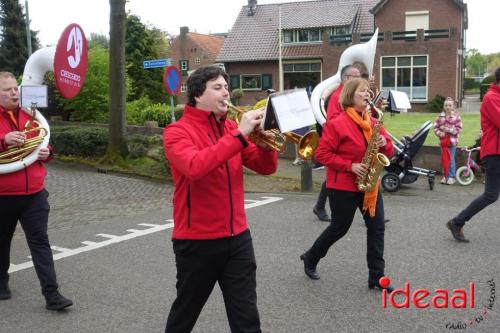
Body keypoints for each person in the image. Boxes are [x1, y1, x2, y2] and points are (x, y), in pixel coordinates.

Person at [163, 66, 278, 332]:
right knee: (186, 313)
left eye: (226, 87)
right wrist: (240, 135)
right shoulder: (176, 132)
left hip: (238, 237)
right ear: (197, 95)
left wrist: (264, 145)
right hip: (197, 242)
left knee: (246, 316)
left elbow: (266, 168)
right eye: (217, 87)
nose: (225, 92)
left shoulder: (230, 128)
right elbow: (195, 166)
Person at [300, 78, 395, 293]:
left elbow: (388, 152)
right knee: (339, 228)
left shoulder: (373, 121)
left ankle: (376, 276)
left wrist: (384, 144)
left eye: (368, 91)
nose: (368, 94)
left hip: (369, 185)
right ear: (351, 95)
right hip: (343, 186)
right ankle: (310, 257)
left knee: (377, 228)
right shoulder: (336, 123)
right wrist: (349, 166)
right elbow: (322, 154)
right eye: (363, 91)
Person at [0, 71, 73, 310]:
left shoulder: (31, 114)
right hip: (3, 196)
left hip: (34, 194)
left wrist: (47, 153)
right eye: (7, 90)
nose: (14, 93)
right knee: (2, 242)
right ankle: (1, 282)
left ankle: (52, 295)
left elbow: (43, 142)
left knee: (40, 242)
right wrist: (4, 140)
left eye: (14, 88)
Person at [446, 67, 500, 243]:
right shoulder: (491, 98)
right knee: (491, 195)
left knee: (491, 194)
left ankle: (457, 221)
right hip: (494, 154)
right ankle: (457, 221)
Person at [313, 65, 361, 222]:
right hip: (339, 142)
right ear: (346, 78)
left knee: (335, 176)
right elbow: (333, 120)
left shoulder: (351, 95)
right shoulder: (337, 96)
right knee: (333, 176)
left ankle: (372, 212)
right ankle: (319, 206)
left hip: (351, 141)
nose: (360, 80)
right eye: (356, 76)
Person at [433, 97, 463, 185]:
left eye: (450, 105)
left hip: (452, 142)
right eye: (446, 105)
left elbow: (459, 129)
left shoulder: (456, 117)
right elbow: (435, 127)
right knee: (444, 159)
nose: (448, 107)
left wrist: (448, 130)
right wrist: (441, 133)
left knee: (451, 159)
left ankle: (451, 177)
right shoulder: (440, 116)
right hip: (443, 142)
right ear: (443, 106)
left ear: (453, 107)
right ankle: (445, 176)